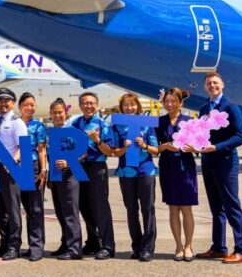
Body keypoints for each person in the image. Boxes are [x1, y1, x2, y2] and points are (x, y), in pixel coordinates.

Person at [195, 72, 242, 264]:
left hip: (225, 162)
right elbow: (201, 134)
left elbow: (241, 136)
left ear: (222, 85)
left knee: (231, 206)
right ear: (204, 87)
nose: (212, 85)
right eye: (209, 83)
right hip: (208, 161)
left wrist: (217, 147)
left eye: (215, 82)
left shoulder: (231, 107)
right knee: (216, 207)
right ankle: (219, 247)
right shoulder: (204, 108)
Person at [98, 93, 158, 262]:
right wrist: (124, 148)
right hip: (126, 172)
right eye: (126, 105)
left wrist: (144, 145)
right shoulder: (116, 125)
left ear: (138, 106)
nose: (129, 108)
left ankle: (148, 248)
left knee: (148, 209)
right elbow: (114, 152)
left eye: (132, 104)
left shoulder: (147, 123)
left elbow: (155, 149)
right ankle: (137, 247)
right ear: (121, 108)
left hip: (145, 170)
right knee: (131, 210)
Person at [70, 91, 115, 259]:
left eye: (91, 103)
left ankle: (108, 245)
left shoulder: (103, 125)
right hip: (79, 166)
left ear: (96, 105)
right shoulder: (75, 123)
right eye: (84, 103)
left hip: (96, 166)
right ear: (80, 106)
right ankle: (93, 242)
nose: (88, 106)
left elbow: (109, 151)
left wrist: (97, 141)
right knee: (83, 205)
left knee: (100, 207)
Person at [154, 88, 197, 262]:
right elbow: (154, 147)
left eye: (173, 101)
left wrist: (193, 148)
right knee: (173, 208)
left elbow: (200, 144)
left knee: (186, 208)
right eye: (167, 101)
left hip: (185, 166)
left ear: (180, 102)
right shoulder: (159, 122)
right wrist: (164, 146)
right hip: (168, 167)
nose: (170, 104)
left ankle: (188, 246)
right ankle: (178, 245)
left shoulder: (189, 121)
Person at [0, 87, 26, 261]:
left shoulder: (17, 122)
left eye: (7, 100)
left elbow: (22, 147)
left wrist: (12, 162)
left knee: (12, 210)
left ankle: (14, 246)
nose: (3, 103)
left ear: (13, 103)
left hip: (10, 169)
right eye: (0, 100)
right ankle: (4, 244)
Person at [47, 98, 82, 260]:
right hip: (55, 176)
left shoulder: (72, 130)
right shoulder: (50, 131)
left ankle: (74, 249)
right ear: (50, 114)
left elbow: (84, 152)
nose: (57, 115)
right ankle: (66, 244)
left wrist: (69, 162)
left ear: (65, 113)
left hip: (70, 175)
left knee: (70, 212)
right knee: (60, 212)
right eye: (54, 113)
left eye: (60, 112)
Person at [18, 92, 47, 261]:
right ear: (20, 107)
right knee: (27, 209)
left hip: (33, 166)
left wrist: (43, 170)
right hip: (17, 168)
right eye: (26, 105)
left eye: (32, 105)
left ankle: (37, 247)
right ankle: (30, 245)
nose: (30, 108)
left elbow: (42, 149)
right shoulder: (14, 124)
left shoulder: (38, 126)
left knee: (36, 208)